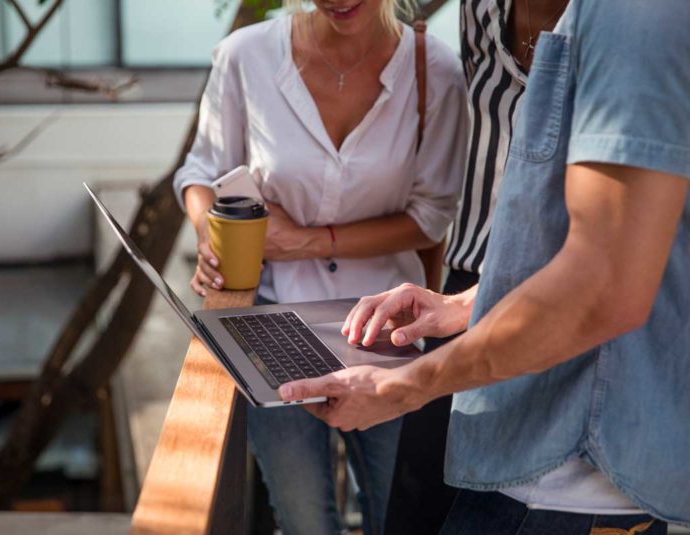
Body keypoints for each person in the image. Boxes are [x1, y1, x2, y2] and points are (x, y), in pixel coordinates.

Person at [279, 0, 690, 532]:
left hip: (574, 474)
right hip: (534, 446)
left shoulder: (634, 16)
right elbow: (622, 242)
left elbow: (604, 285)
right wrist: (461, 304)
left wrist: (404, 386)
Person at [172, 1, 468, 533]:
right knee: (304, 520)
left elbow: (431, 217)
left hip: (388, 333)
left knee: (399, 518)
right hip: (268, 324)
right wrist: (208, 235)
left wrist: (307, 241)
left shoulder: (435, 71)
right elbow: (201, 173)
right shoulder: (248, 54)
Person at [383, 1, 568, 533]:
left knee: (530, 510)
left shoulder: (628, 23)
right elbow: (381, 10)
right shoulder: (481, 7)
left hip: (572, 292)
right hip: (465, 282)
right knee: (418, 504)